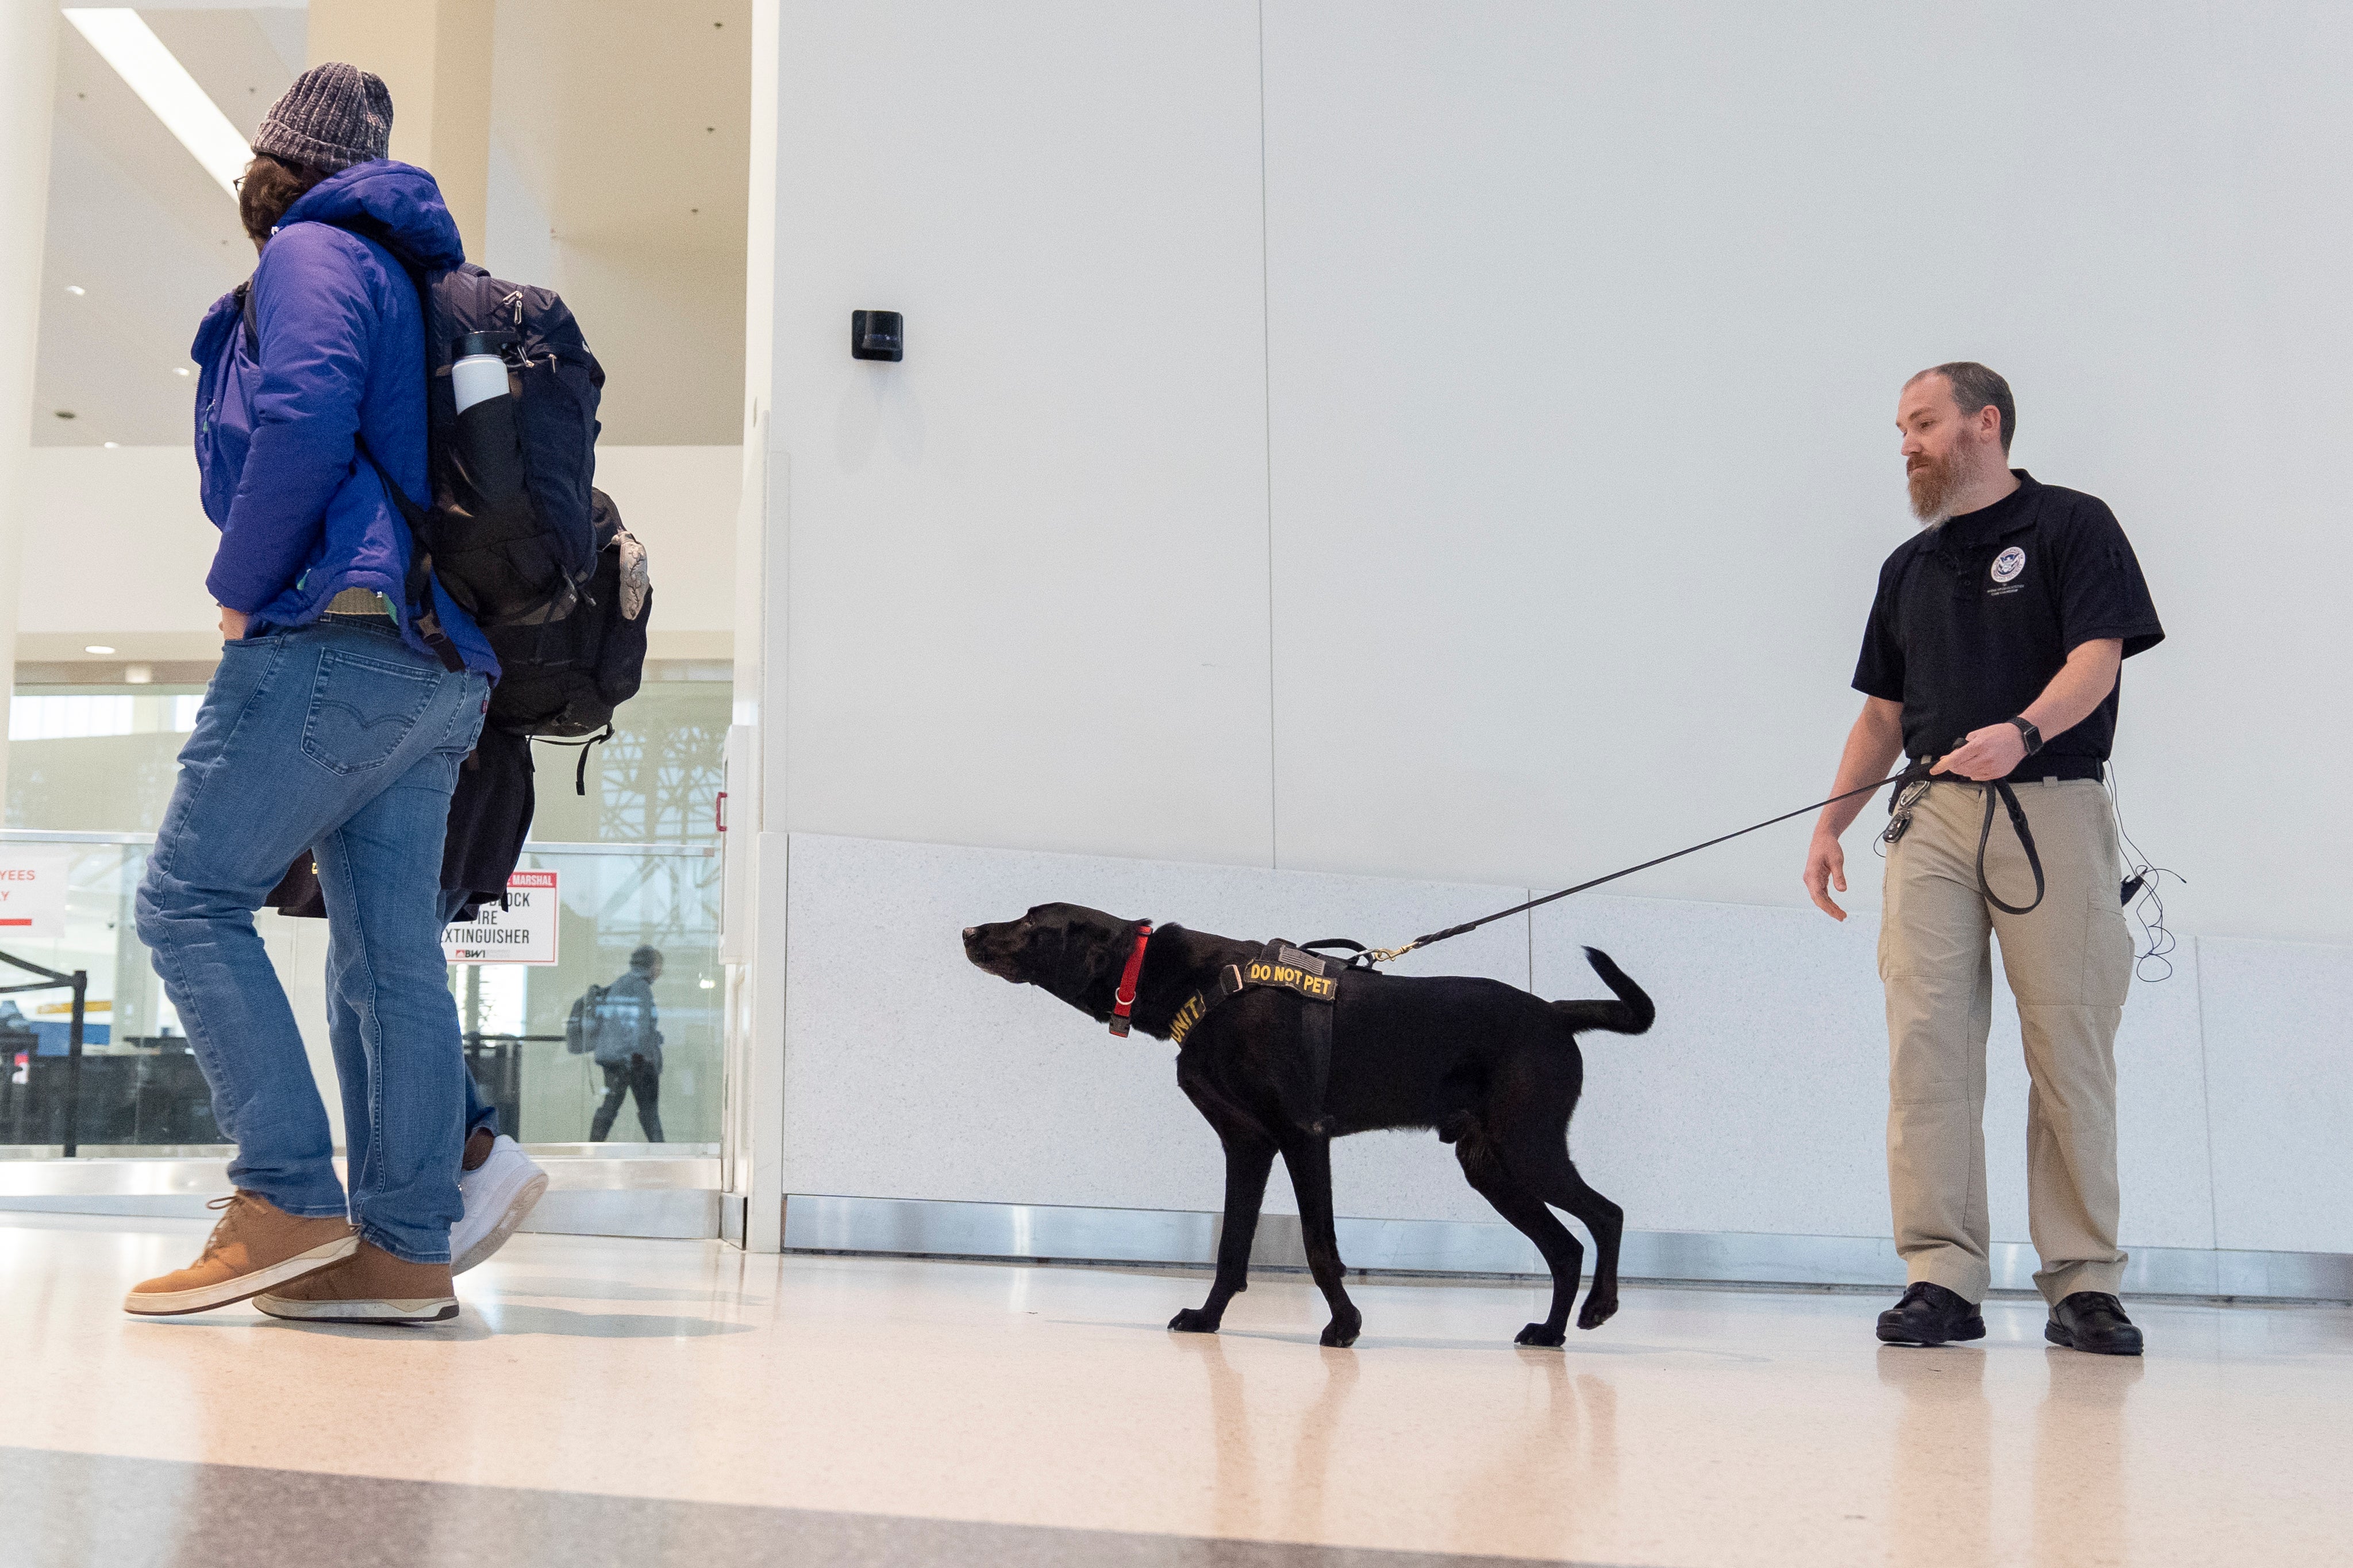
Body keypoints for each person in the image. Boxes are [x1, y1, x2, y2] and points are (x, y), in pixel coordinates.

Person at [124, 63, 499, 1326]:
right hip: (436, 665)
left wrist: (241, 582)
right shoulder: (406, 271)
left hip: (335, 631)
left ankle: (283, 1191)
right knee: (392, 956)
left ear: (269, 172)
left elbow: (302, 414)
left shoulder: (311, 253)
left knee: (188, 898)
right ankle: (405, 1248)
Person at [1802, 363, 2163, 1356]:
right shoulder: (1906, 567)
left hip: (2049, 807)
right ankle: (1939, 1274)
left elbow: (2098, 654)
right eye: (1899, 429)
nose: (1906, 443)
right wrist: (1830, 823)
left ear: (1983, 423)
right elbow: (1881, 710)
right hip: (1929, 818)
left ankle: (2082, 1280)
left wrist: (2024, 729)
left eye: (1921, 422)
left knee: (2067, 1048)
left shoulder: (2070, 525)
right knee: (1926, 1047)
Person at [589, 947, 665, 1143]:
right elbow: (639, 1028)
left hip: (615, 1057)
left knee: (611, 1106)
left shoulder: (622, 983)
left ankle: (593, 1146)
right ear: (651, 965)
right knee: (649, 1111)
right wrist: (645, 1058)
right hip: (633, 1060)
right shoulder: (640, 987)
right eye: (659, 965)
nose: (661, 971)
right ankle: (661, 1154)